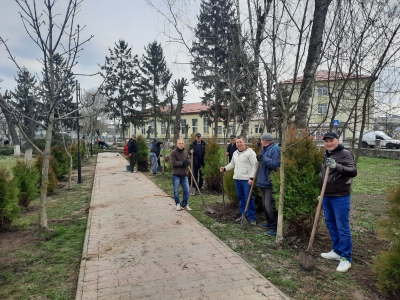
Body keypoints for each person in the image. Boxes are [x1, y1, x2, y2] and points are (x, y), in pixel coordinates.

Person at [320, 132, 357, 273]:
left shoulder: (344, 154)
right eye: (326, 141)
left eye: (331, 140)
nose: (329, 143)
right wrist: (321, 194)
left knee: (342, 226)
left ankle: (346, 258)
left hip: (340, 196)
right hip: (326, 195)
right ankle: (337, 250)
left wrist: (336, 166)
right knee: (330, 224)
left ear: (338, 140)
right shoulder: (327, 154)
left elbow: (353, 171)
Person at [220, 136, 257, 225]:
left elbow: (255, 165)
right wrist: (224, 168)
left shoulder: (250, 153)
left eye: (240, 142)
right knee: (241, 198)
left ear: (244, 142)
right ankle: (243, 215)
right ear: (235, 143)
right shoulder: (235, 153)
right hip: (237, 179)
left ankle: (252, 217)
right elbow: (232, 164)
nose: (239, 144)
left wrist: (251, 178)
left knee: (248, 198)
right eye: (237, 142)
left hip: (246, 180)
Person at [256, 133, 280, 236]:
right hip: (263, 181)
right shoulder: (265, 149)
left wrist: (263, 158)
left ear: (265, 141)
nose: (260, 142)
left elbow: (275, 164)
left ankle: (274, 227)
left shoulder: (275, 149)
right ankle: (269, 222)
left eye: (261, 140)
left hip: (270, 182)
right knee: (265, 205)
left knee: (269, 205)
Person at [170, 138, 192, 211]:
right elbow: (173, 163)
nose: (181, 145)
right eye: (180, 143)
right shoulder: (173, 153)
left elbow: (189, 160)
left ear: (184, 144)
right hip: (176, 175)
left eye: (182, 143)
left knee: (187, 190)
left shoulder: (185, 153)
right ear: (177, 144)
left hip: (184, 175)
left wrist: (188, 162)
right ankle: (178, 204)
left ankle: (184, 204)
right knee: (176, 191)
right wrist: (182, 163)